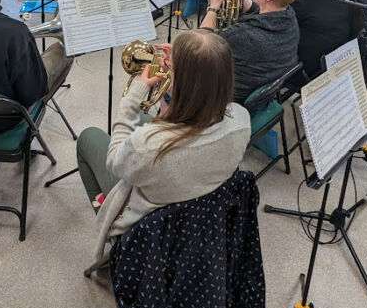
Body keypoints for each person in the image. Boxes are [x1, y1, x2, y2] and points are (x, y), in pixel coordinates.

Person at [75, 30, 250, 261]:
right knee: (147, 120)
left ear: (185, 83)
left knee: (88, 137)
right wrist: (181, 63)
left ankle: (111, 232)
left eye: (172, 67)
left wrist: (133, 97)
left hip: (144, 230)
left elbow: (114, 160)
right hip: (195, 214)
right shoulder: (242, 120)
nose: (167, 66)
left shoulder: (147, 145)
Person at [199, 0, 305, 105]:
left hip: (225, 96)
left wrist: (214, 5)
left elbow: (200, 43)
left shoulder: (246, 35)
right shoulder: (289, 15)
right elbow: (258, 9)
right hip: (258, 87)